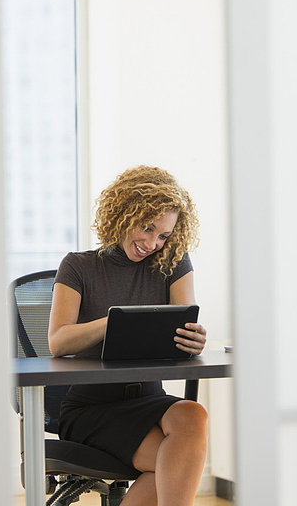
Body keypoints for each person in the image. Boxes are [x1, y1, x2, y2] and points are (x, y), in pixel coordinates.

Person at [48, 165, 208, 506]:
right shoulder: (77, 266)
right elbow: (58, 341)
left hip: (149, 399)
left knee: (193, 415)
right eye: (146, 228)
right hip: (92, 407)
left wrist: (193, 340)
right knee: (170, 467)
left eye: (163, 235)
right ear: (122, 215)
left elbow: (183, 323)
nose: (152, 243)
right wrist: (114, 321)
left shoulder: (173, 263)